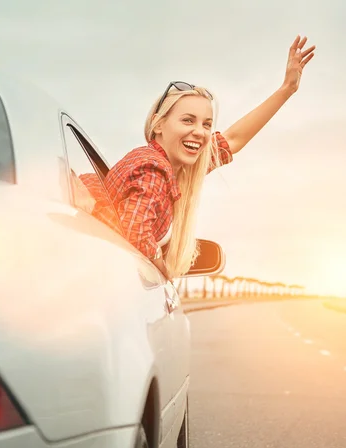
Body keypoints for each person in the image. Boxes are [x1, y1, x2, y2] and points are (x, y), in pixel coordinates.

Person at [103, 35, 316, 280]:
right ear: (158, 125)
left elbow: (233, 139)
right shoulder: (154, 169)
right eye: (187, 120)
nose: (200, 132)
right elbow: (136, 234)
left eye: (207, 124)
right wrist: (164, 271)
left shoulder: (175, 169)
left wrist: (287, 89)